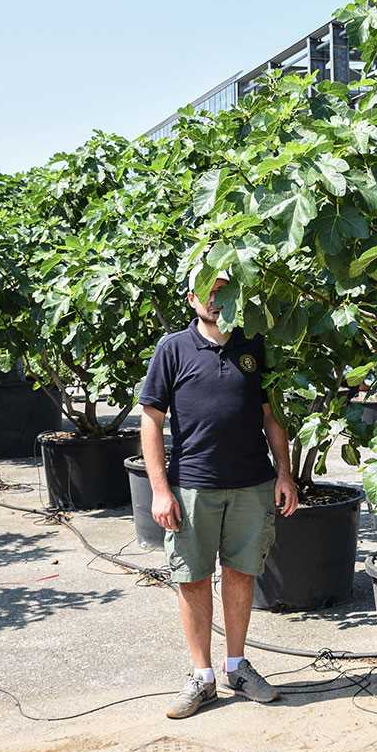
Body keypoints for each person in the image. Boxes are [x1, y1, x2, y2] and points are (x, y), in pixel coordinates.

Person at [139, 273, 298, 719]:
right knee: (190, 577)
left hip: (252, 484)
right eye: (206, 292)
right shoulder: (172, 349)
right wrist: (159, 490)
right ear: (191, 299)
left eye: (223, 290)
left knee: (242, 573)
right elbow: (151, 420)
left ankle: (237, 666)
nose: (215, 299)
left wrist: (284, 474)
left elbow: (271, 416)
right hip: (192, 486)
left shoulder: (254, 344)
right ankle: (201, 677)